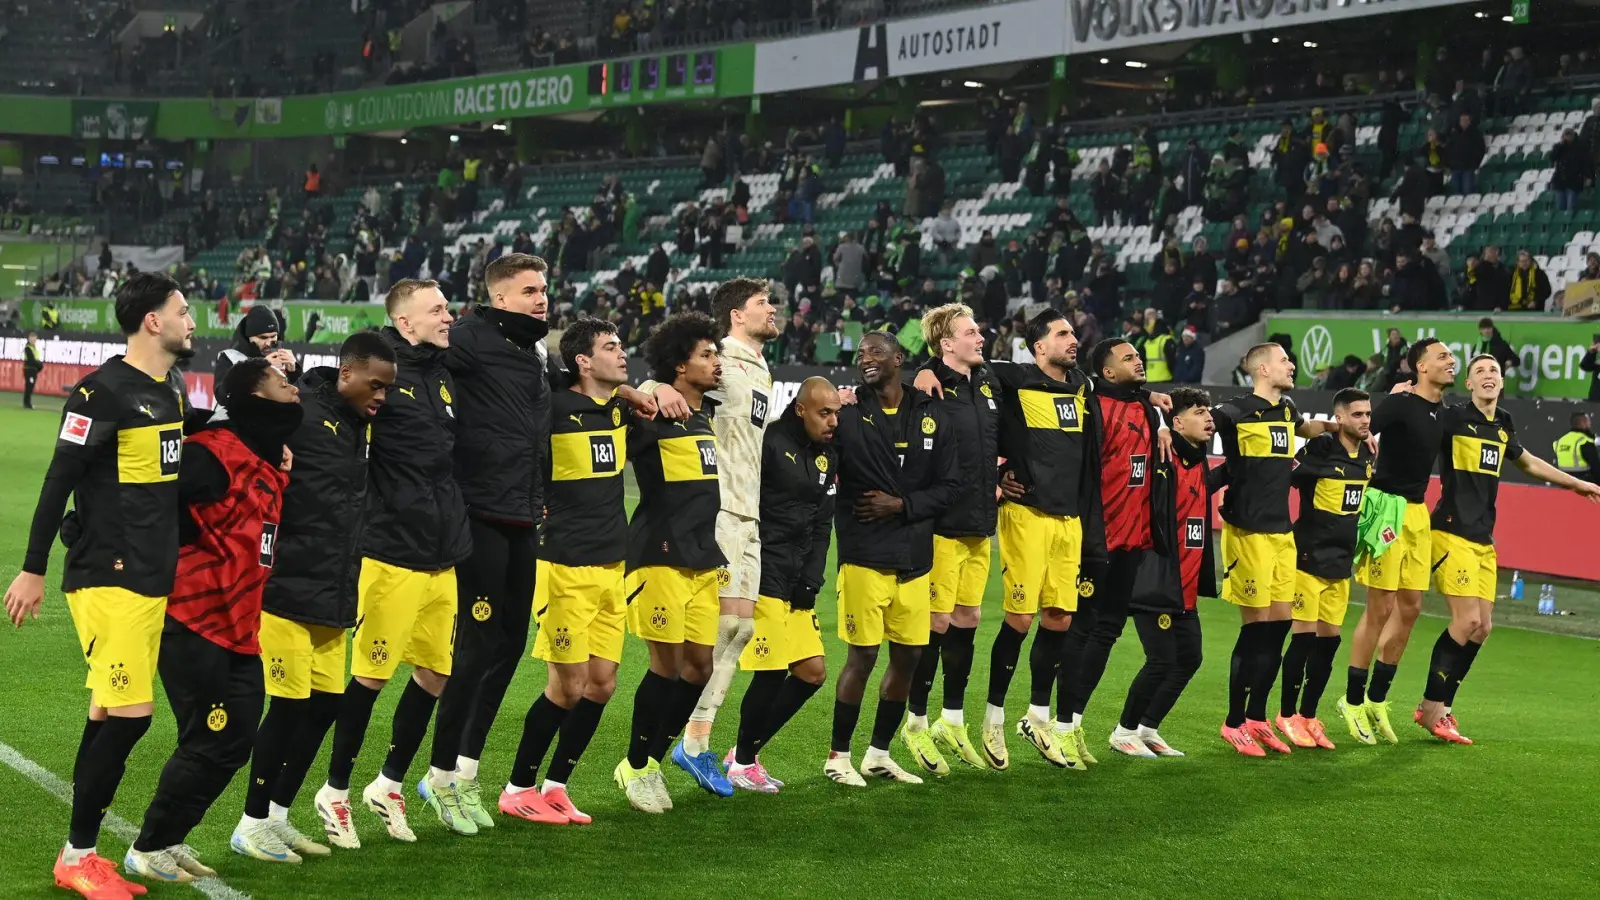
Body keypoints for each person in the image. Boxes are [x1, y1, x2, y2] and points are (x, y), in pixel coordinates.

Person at [4, 272, 194, 900]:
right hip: (109, 574)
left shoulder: (168, 389)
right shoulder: (99, 392)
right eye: (182, 310)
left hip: (148, 573)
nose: (191, 321)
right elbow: (59, 480)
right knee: (133, 715)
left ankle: (80, 854)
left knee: (108, 710)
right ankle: (77, 854)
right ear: (151, 322)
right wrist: (32, 567)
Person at [125, 359, 300, 882]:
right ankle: (149, 847)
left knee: (234, 739)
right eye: (280, 383)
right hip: (194, 618)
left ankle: (170, 838)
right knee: (213, 737)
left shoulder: (266, 462)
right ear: (250, 398)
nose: (293, 389)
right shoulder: (214, 454)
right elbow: (150, 494)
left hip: (240, 626)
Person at [313, 279, 472, 846]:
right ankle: (335, 790)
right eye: (437, 310)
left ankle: (388, 784)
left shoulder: (443, 374)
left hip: (442, 552)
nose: (448, 316)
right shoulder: (380, 374)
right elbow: (328, 398)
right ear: (405, 322)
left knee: (434, 674)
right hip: (389, 550)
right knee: (371, 675)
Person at [233, 333, 395, 860]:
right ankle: (250, 822)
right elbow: (232, 424)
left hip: (334, 588)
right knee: (286, 707)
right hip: (284, 586)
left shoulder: (359, 423)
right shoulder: (296, 412)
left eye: (389, 389)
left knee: (324, 706)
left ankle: (278, 815)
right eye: (376, 385)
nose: (382, 397)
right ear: (347, 374)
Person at [422, 253, 557, 833]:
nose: (541, 299)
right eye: (529, 291)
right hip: (480, 512)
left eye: (544, 289)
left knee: (507, 644)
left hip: (523, 517)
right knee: (475, 649)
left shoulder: (536, 351)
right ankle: (439, 775)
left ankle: (465, 770)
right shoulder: (470, 337)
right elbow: (412, 360)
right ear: (499, 298)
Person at [1415, 356, 1600, 742]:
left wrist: (1577, 484)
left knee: (1482, 629)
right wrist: (1406, 392)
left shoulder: (1503, 424)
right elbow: (1417, 415)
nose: (1488, 376)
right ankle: (1430, 707)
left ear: (1501, 383)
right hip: (1450, 531)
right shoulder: (1451, 418)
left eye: (1494, 371)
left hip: (1483, 538)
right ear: (1468, 382)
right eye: (1480, 371)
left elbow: (1528, 462)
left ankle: (1444, 709)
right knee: (1465, 622)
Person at [644, 278, 780, 793]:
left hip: (749, 511)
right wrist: (656, 387)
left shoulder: (760, 366)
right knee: (719, 629)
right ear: (736, 315)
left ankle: (693, 743)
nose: (773, 310)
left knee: (741, 631)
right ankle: (684, 745)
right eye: (763, 303)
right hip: (717, 507)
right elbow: (672, 381)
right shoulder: (717, 357)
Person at [500, 318, 634, 825]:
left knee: (601, 685)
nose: (622, 354)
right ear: (582, 360)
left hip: (611, 566)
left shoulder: (620, 407)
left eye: (621, 345)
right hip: (563, 566)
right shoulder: (553, 408)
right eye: (610, 347)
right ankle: (517, 788)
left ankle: (556, 786)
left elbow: (647, 392)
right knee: (568, 686)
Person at [826, 331, 960, 786]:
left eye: (875, 353)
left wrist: (902, 505)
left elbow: (950, 487)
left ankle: (878, 754)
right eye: (860, 352)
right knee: (861, 657)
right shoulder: (847, 412)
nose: (865, 359)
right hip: (864, 553)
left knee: (909, 658)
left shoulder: (931, 414)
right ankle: (838, 757)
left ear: (898, 359)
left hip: (915, 557)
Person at [615, 313, 728, 812]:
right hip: (658, 551)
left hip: (703, 556)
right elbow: (605, 400)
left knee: (699, 668)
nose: (717, 361)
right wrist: (648, 386)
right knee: (666, 666)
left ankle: (654, 760)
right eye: (706, 355)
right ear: (680, 366)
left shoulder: (703, 417)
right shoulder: (651, 413)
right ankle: (636, 766)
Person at [1212, 342, 1340, 757]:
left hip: (1282, 534)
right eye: (1285, 360)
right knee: (1254, 631)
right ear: (1263, 369)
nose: (1292, 365)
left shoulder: (1286, 410)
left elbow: (1302, 429)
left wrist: (1336, 428)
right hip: (1247, 533)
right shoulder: (1233, 411)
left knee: (1279, 627)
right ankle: (1233, 722)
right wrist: (1164, 426)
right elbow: (1194, 430)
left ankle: (1257, 718)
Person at [1341, 338, 1457, 746]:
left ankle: (1376, 699)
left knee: (1410, 608)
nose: (1451, 361)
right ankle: (1351, 702)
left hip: (1416, 514)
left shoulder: (1442, 411)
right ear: (1420, 367)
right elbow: (1357, 428)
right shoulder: (1399, 403)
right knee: (1380, 606)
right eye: (1443, 356)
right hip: (1385, 508)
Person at [901, 304, 1000, 774]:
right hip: (941, 526)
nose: (980, 337)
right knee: (936, 623)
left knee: (969, 617)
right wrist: (920, 373)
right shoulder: (927, 386)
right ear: (946, 343)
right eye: (971, 332)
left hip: (980, 524)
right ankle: (915, 722)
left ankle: (952, 718)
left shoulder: (988, 383)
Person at [728, 377, 841, 790]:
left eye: (835, 414)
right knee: (771, 671)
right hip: (764, 570)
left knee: (811, 673)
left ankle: (744, 752)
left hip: (798, 579)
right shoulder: (770, 443)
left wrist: (812, 577)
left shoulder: (827, 455)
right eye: (823, 413)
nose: (832, 422)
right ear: (800, 409)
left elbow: (823, 520)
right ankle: (742, 762)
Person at [1065, 338, 1173, 760]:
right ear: (1107, 372)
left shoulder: (1145, 407)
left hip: (1133, 540)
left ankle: (1073, 723)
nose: (1138, 360)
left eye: (1137, 355)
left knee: (1107, 631)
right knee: (1081, 630)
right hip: (1097, 539)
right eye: (1128, 358)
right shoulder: (1091, 406)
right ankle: (1058, 721)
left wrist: (1155, 407)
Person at [1115, 387, 1218, 757]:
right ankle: (1122, 731)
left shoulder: (1199, 462)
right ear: (1176, 421)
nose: (1209, 417)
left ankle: (1147, 728)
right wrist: (1158, 423)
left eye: (1209, 411)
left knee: (1189, 657)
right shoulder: (1160, 453)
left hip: (1185, 584)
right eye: (1199, 411)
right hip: (1154, 577)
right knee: (1161, 659)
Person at [1276, 389, 1374, 751]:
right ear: (1341, 417)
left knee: (1329, 643)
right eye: (1358, 414)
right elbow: (1283, 478)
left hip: (1339, 565)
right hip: (1307, 558)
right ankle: (1286, 714)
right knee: (1302, 638)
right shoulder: (1319, 450)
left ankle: (1309, 715)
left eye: (1368, 414)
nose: (1365, 420)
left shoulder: (1366, 455)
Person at [217, 305, 297, 387]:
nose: (269, 343)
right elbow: (224, 394)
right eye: (263, 337)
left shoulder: (282, 358)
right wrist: (259, 368)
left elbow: (300, 397)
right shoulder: (230, 358)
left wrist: (294, 374)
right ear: (249, 337)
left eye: (273, 336)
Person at [1553, 411, 1599, 483]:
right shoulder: (1585, 442)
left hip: (1564, 481)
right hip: (1583, 481)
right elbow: (1596, 467)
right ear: (1583, 423)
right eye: (1588, 421)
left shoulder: (1560, 441)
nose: (1590, 424)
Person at [22, 330, 43, 409]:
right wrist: (40, 365)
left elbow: (36, 360)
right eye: (32, 339)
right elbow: (31, 360)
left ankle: (27, 403)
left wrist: (39, 366)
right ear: (29, 339)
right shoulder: (28, 348)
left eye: (34, 339)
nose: (33, 340)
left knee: (31, 386)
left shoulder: (34, 349)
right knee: (29, 386)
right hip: (29, 370)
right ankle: (27, 403)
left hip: (34, 370)